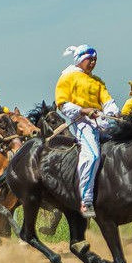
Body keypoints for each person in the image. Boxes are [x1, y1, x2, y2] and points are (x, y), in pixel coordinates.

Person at [55, 44, 119, 218]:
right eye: (89, 59)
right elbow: (62, 104)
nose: (93, 62)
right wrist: (83, 110)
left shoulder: (98, 81)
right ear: (80, 59)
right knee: (92, 155)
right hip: (81, 123)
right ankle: (86, 200)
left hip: (101, 122)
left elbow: (108, 101)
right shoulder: (67, 77)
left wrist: (113, 113)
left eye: (95, 60)